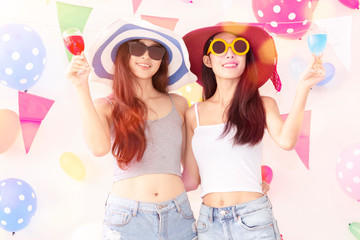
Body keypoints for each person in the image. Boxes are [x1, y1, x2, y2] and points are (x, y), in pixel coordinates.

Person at [181, 22, 325, 239]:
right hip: (209, 223)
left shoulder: (262, 104)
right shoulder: (193, 114)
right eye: (220, 48)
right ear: (207, 60)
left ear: (246, 58)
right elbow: (191, 180)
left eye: (239, 47)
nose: (230, 54)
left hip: (253, 218)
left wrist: (303, 88)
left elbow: (287, 141)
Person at [66, 18, 198, 240]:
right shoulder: (107, 105)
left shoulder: (179, 104)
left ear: (161, 62)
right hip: (128, 217)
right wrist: (81, 87)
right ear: (124, 55)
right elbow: (98, 148)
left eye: (156, 52)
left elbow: (192, 175)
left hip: (178, 215)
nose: (146, 56)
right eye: (137, 48)